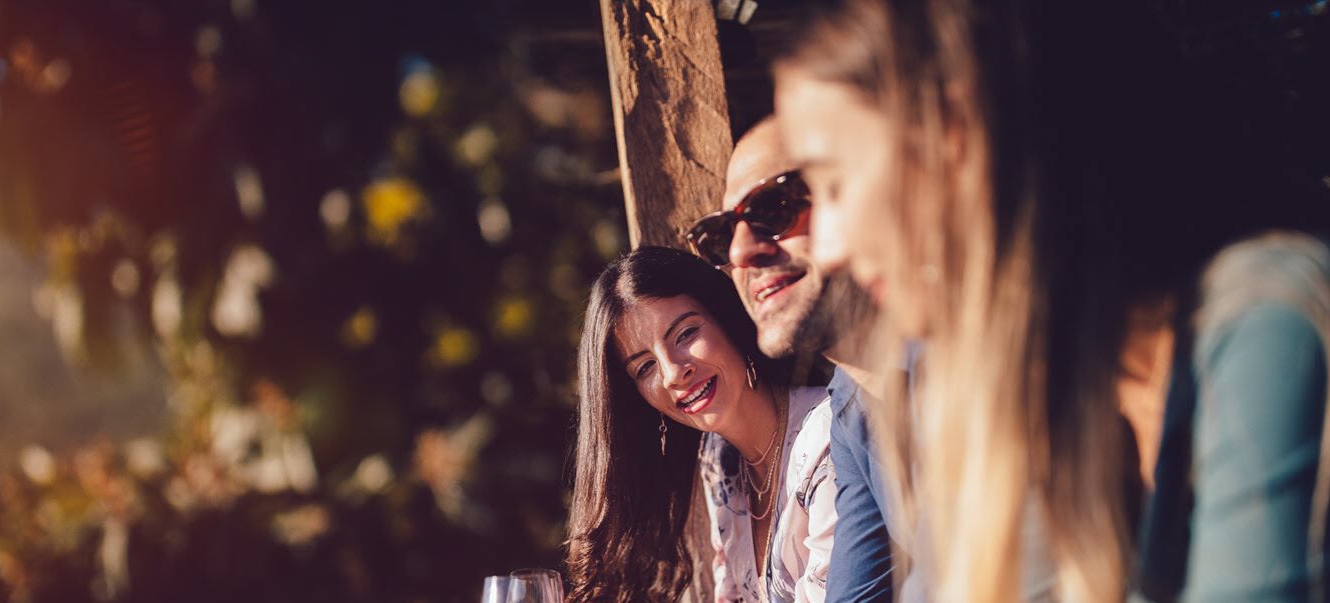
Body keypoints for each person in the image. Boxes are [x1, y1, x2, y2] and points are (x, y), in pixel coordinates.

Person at [771, 1, 1330, 602]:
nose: (825, 247)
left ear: (955, 136)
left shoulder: (1260, 323)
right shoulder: (1028, 394)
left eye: (832, 184)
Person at [686, 117, 895, 603]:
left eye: (773, 208)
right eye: (720, 237)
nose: (741, 251)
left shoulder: (993, 365)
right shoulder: (852, 404)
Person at [566, 246, 839, 603]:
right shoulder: (721, 459)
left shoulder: (829, 438)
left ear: (727, 319)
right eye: (645, 368)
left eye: (685, 334)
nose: (673, 373)